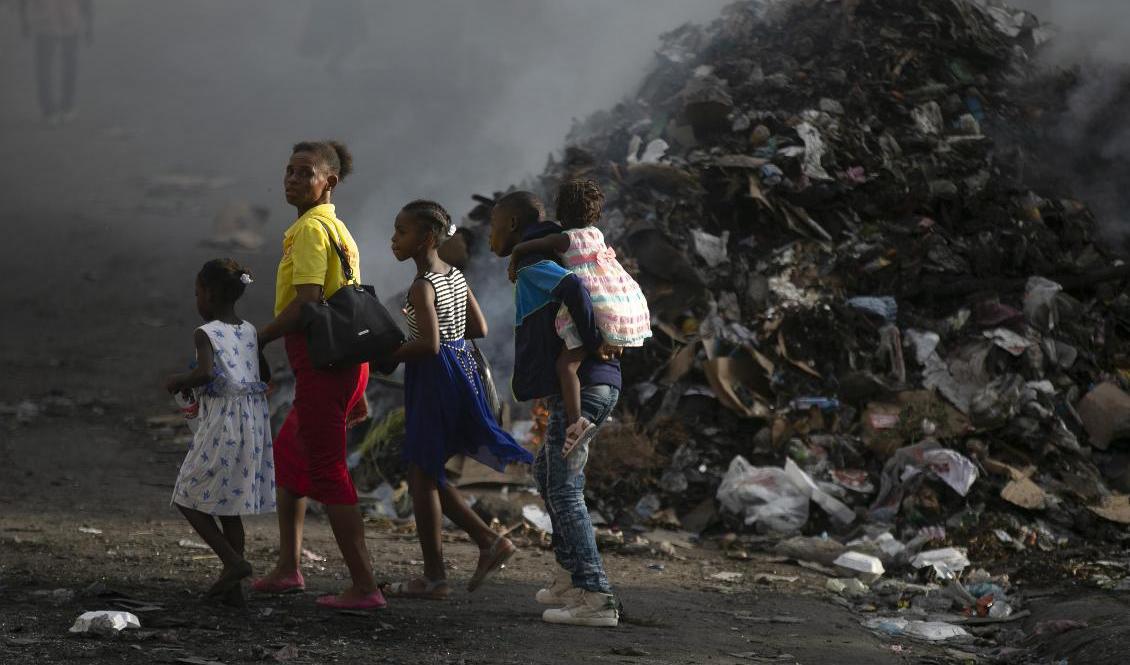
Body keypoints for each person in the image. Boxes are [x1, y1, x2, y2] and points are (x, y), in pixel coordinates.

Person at [253, 140, 385, 610]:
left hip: (323, 366)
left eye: (303, 172)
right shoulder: (336, 228)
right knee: (291, 454)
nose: (291, 179)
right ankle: (289, 567)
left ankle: (365, 587)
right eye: (288, 171)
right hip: (344, 364)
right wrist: (358, 390)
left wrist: (261, 337)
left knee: (328, 470)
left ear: (328, 182)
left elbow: (308, 299)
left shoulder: (310, 230)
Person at [382, 200, 533, 600]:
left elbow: (428, 345)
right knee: (425, 472)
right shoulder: (455, 276)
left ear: (427, 237)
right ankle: (482, 543)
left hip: (433, 378)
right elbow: (479, 327)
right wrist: (450, 333)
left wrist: (385, 353)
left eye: (402, 232)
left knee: (422, 473)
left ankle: (438, 576)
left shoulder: (421, 286)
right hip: (462, 368)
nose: (394, 240)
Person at [489, 191, 624, 627]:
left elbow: (572, 287)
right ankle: (570, 574)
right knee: (546, 472)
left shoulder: (532, 263)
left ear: (511, 225)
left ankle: (596, 596)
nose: (489, 235)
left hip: (585, 388)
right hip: (592, 387)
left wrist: (592, 340)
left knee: (565, 488)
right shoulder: (546, 249)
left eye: (493, 225)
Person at [506, 179, 651, 451]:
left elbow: (531, 247)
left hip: (591, 300)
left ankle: (576, 423)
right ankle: (577, 422)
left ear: (560, 211)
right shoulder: (597, 234)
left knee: (566, 366)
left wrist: (516, 255)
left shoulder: (563, 239)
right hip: (612, 300)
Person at [164, 259, 275, 607]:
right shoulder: (251, 331)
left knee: (186, 492)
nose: (196, 299)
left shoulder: (206, 333)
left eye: (197, 292)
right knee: (230, 506)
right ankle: (233, 591)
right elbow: (265, 373)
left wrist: (179, 380)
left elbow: (205, 373)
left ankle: (233, 562)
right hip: (252, 421)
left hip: (224, 422)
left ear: (209, 294)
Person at [19, 0, 92, 125]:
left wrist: (24, 19)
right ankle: (66, 108)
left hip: (47, 20)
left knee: (45, 67)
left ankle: (50, 111)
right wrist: (89, 24)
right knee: (67, 64)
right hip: (67, 19)